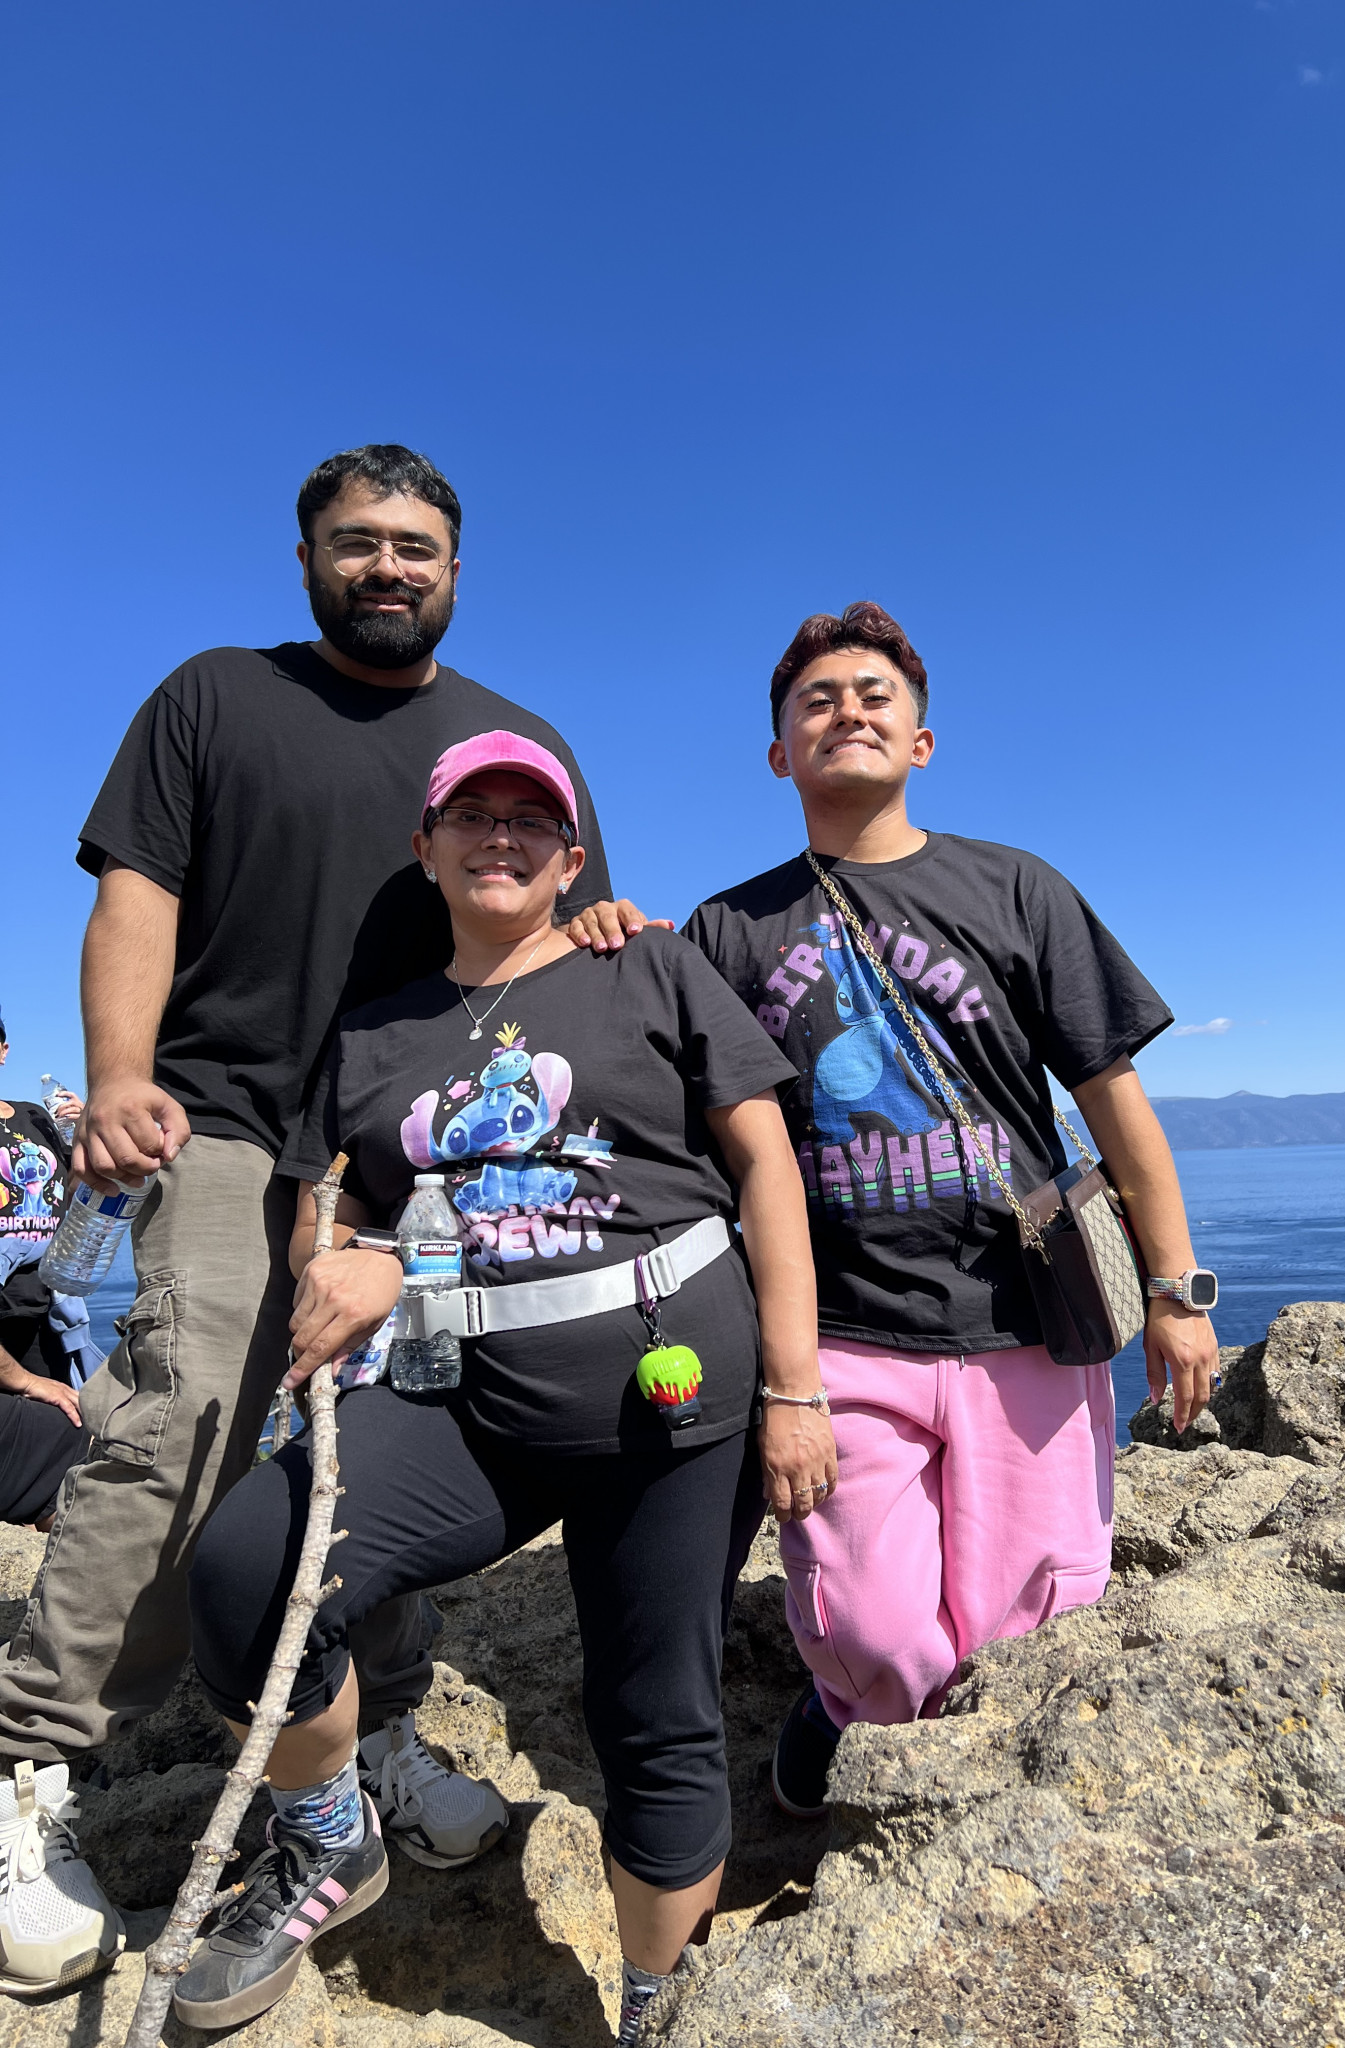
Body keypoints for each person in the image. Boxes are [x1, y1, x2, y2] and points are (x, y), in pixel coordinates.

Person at [0, 447, 656, 1997]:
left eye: (416, 546)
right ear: (305, 557)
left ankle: (375, 1737)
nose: (387, 566)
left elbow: (557, 937)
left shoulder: (516, 745)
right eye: (357, 541)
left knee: (398, 1431)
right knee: (189, 1406)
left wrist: (613, 930)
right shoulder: (214, 697)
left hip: (416, 1146)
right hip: (226, 1122)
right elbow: (136, 895)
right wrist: (114, 1074)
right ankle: (34, 1765)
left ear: (455, 569)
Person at [173, 732, 830, 2039]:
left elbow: (766, 1163)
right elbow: (324, 1216)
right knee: (247, 1574)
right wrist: (357, 1255)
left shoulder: (650, 963)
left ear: (572, 858)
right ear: (426, 848)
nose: (501, 834)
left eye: (532, 817)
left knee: (653, 1712)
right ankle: (330, 1834)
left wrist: (796, 1390)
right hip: (461, 1400)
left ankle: (654, 2003)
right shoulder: (371, 1031)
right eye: (470, 813)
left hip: (668, 1398)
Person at [683, 601, 1220, 1817]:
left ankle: (978, 1819)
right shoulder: (728, 929)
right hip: (842, 1332)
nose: (847, 711)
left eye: (874, 694)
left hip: (1027, 1321)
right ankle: (843, 1709)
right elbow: (674, 1099)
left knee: (1032, 1615)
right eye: (817, 700)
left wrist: (1177, 1290)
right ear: (778, 752)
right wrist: (605, 934)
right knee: (869, 1625)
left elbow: (1114, 1102)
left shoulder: (1016, 888)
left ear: (921, 740)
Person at [0, 1020, 87, 1529]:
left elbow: (74, 1194)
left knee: (63, 1436)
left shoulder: (33, 1116)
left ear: (4, 1050)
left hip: (40, 1304)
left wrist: (84, 1131)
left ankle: (60, 1556)